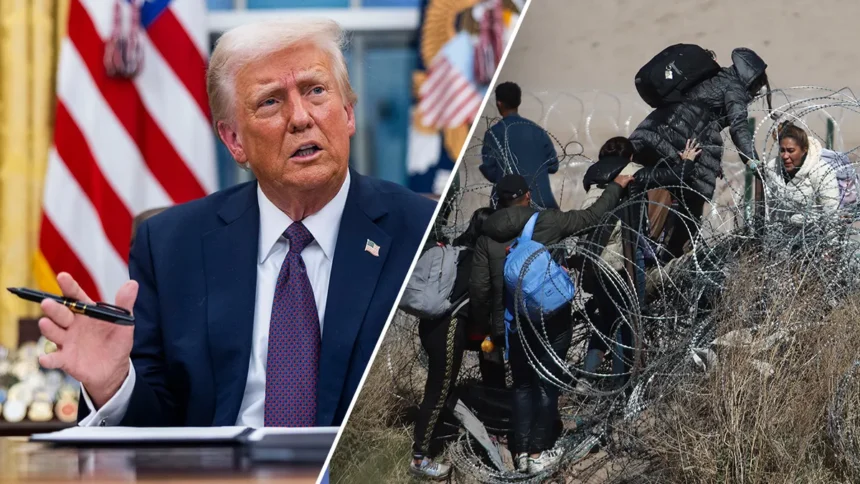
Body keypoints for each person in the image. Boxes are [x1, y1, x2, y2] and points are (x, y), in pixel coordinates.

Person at [36, 19, 436, 428]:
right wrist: (113, 385)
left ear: (348, 114)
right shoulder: (172, 246)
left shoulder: (422, 231)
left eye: (316, 91)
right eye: (270, 102)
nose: (300, 117)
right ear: (234, 141)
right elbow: (158, 427)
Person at [469, 173, 633, 474]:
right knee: (547, 384)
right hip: (551, 319)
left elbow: (479, 289)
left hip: (512, 322)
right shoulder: (547, 221)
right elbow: (593, 216)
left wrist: (487, 330)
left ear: (500, 200)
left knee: (521, 386)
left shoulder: (486, 237)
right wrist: (616, 186)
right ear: (527, 196)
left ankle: (520, 452)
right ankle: (539, 451)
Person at [578, 137, 701, 391]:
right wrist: (687, 161)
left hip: (594, 262)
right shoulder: (630, 171)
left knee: (606, 319)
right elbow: (675, 177)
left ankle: (586, 378)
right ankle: (622, 387)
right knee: (628, 322)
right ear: (630, 158)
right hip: (623, 263)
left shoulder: (593, 177)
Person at [629, 48, 771, 257]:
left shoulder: (715, 78)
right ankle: (666, 261)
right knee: (690, 208)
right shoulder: (735, 87)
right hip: (681, 140)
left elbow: (703, 120)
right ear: (752, 78)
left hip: (656, 129)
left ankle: (639, 248)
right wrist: (752, 161)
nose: (756, 94)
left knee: (645, 190)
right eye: (757, 87)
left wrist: (714, 162)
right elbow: (738, 126)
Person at [410, 207, 499, 480]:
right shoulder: (477, 259)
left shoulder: (457, 249)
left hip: (431, 327)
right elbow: (478, 299)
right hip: (448, 330)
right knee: (437, 392)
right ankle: (419, 460)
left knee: (440, 388)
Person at [480, 82, 561, 209]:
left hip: (507, 206)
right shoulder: (537, 131)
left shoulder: (494, 134)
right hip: (543, 204)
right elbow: (553, 166)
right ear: (519, 101)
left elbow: (491, 171)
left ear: (499, 103)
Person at [765, 122, 840, 223]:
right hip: (781, 235)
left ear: (804, 150)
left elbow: (832, 216)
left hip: (815, 236)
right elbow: (771, 210)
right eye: (782, 150)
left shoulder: (821, 172)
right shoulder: (773, 168)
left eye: (791, 151)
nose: (785, 156)